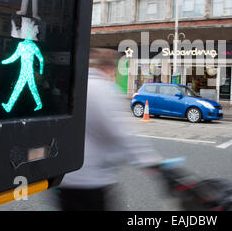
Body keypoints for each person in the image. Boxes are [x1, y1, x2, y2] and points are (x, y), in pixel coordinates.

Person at [54, 48, 162, 211]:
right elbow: (122, 134)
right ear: (111, 69)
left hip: (64, 176)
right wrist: (151, 161)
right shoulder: (103, 89)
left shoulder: (74, 85)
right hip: (90, 179)